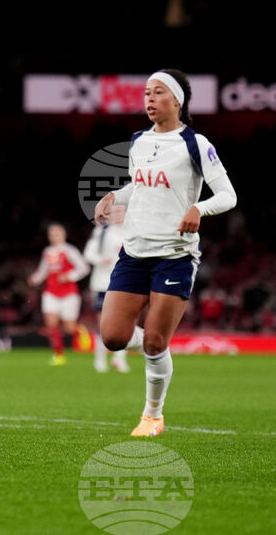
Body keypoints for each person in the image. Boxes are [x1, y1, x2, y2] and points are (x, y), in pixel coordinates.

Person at [94, 69, 236, 437]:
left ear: (178, 100)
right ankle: (158, 342)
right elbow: (138, 187)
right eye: (146, 93)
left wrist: (198, 209)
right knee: (112, 337)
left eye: (158, 93)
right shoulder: (139, 140)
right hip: (134, 251)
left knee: (155, 341)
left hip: (174, 254)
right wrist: (114, 196)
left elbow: (227, 195)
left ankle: (152, 415)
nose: (149, 100)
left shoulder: (195, 142)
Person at [28, 223, 90, 366]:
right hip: (50, 293)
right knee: (51, 325)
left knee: (69, 327)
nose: (53, 237)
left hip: (69, 294)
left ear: (63, 235)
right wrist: (35, 279)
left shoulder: (70, 251)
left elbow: (84, 268)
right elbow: (43, 270)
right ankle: (58, 355)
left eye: (56, 234)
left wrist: (69, 276)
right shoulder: (47, 252)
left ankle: (80, 331)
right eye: (51, 234)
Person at [83, 205, 129, 373]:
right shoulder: (101, 232)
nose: (117, 215)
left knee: (125, 321)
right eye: (114, 212)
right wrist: (101, 259)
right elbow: (88, 253)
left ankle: (119, 359)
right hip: (103, 283)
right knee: (103, 322)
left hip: (126, 283)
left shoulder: (132, 231)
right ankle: (100, 360)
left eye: (120, 212)